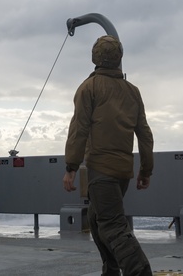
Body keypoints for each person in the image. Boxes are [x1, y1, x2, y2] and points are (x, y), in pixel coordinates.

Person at [63, 35, 154, 276]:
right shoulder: (132, 91)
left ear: (95, 57)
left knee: (112, 225)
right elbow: (144, 134)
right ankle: (111, 269)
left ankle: (140, 271)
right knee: (96, 220)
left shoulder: (88, 88)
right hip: (123, 171)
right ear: (118, 59)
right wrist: (145, 170)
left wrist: (71, 167)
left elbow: (79, 129)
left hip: (100, 170)